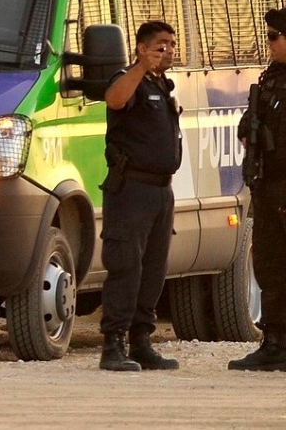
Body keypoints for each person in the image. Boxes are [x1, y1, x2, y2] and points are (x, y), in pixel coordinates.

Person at [98, 21, 181, 372]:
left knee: (153, 270)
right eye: (161, 44)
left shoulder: (163, 86)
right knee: (126, 267)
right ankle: (113, 344)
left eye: (172, 45)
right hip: (131, 190)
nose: (169, 50)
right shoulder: (128, 78)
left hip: (161, 191)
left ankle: (141, 340)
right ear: (141, 48)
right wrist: (139, 67)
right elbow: (114, 100)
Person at [228, 8, 286, 371]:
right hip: (268, 187)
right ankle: (275, 342)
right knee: (269, 265)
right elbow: (251, 123)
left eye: (273, 36)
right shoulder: (270, 79)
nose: (268, 44)